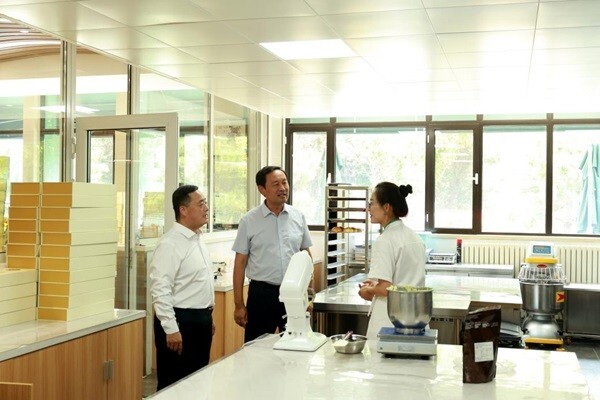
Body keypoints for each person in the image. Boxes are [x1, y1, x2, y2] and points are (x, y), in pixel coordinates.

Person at [232, 166, 313, 342]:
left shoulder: (298, 216)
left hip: (293, 292)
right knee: (256, 348)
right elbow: (239, 264)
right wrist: (238, 304)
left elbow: (306, 257)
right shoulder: (249, 221)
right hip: (262, 294)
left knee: (296, 344)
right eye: (276, 184)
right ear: (262, 189)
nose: (282, 188)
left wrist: (307, 295)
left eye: (284, 182)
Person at [149, 185, 215, 391]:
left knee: (197, 381)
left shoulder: (197, 239)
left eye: (205, 203)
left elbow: (197, 283)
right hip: (179, 322)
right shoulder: (170, 243)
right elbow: (160, 289)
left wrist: (207, 317)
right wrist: (171, 329)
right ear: (183, 210)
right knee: (174, 385)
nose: (206, 208)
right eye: (201, 204)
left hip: (200, 320)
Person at [358, 181, 426, 340]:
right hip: (415, 319)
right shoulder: (415, 238)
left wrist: (368, 290)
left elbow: (386, 289)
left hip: (389, 324)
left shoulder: (384, 240)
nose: (368, 209)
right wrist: (376, 285)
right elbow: (403, 282)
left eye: (371, 203)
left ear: (386, 207)